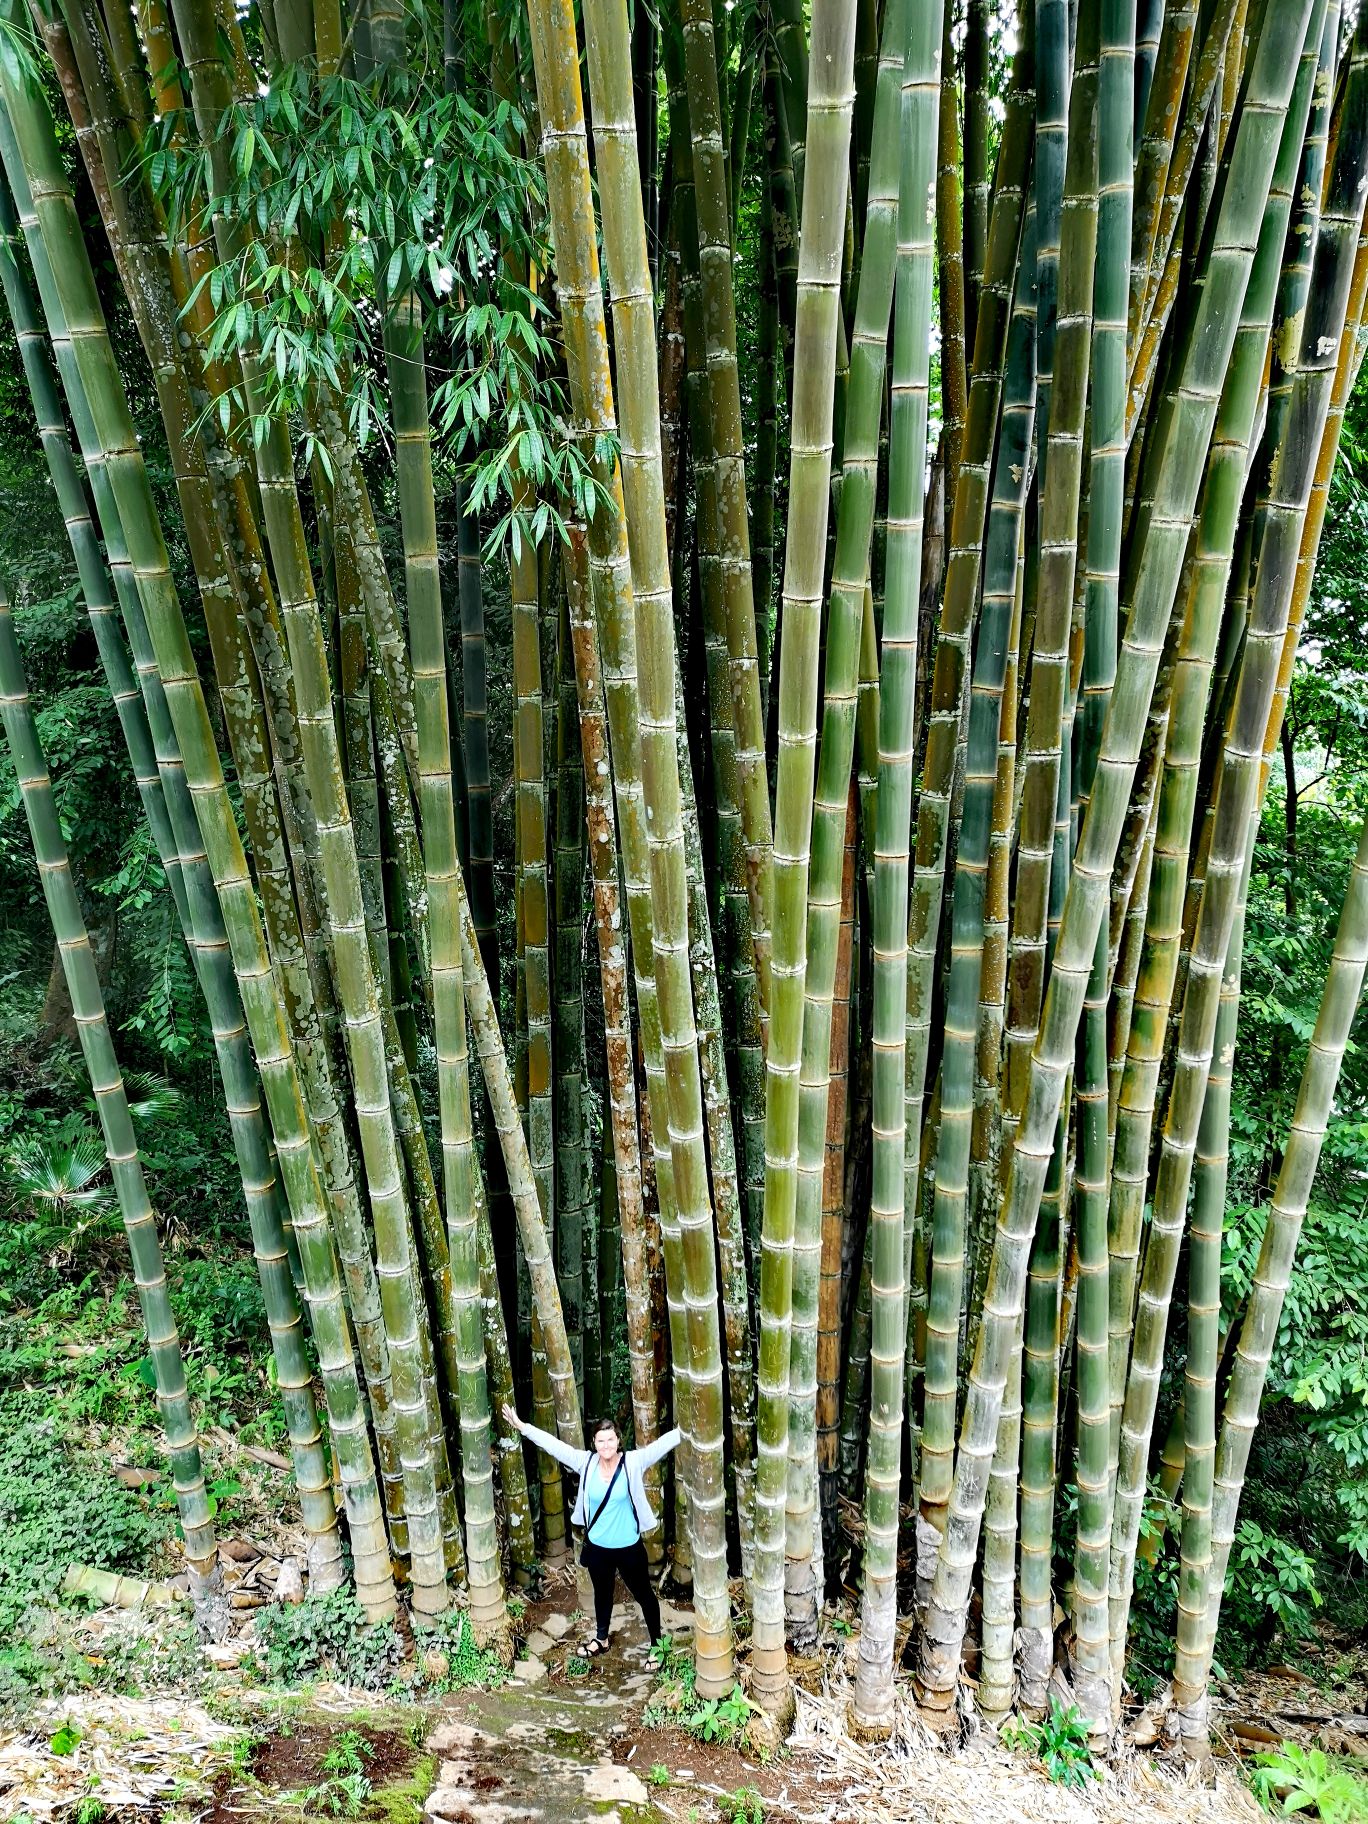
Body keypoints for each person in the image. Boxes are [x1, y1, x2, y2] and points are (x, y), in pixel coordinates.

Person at [502, 1402, 681, 1658]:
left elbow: (660, 1446)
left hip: (628, 1547)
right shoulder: (586, 1463)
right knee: (602, 1593)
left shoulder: (632, 1462)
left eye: (610, 1440)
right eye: (600, 1441)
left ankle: (656, 1645)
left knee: (644, 1594)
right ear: (594, 1443)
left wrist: (686, 1429)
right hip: (598, 1547)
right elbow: (555, 1446)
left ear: (618, 1440)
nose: (606, 1446)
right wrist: (523, 1427)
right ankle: (601, 1638)